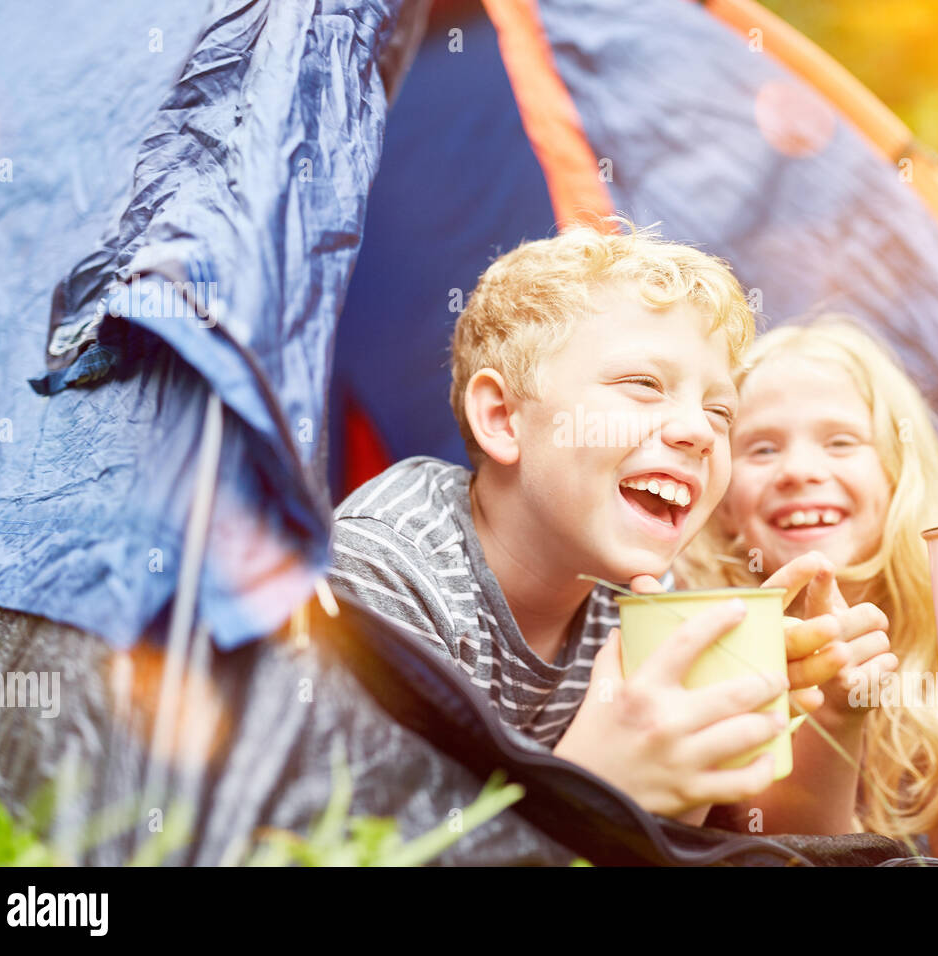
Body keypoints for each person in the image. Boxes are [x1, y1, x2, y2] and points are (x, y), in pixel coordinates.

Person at [330, 224, 851, 822]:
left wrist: (709, 740)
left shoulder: (643, 601)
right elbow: (355, 847)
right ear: (502, 417)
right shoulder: (381, 574)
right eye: (643, 385)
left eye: (720, 410)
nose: (701, 431)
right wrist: (594, 788)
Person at [673, 316, 938, 863]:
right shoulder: (715, 630)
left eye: (840, 441)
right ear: (725, 501)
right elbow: (804, 852)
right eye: (761, 450)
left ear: (898, 476)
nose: (799, 470)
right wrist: (835, 711)